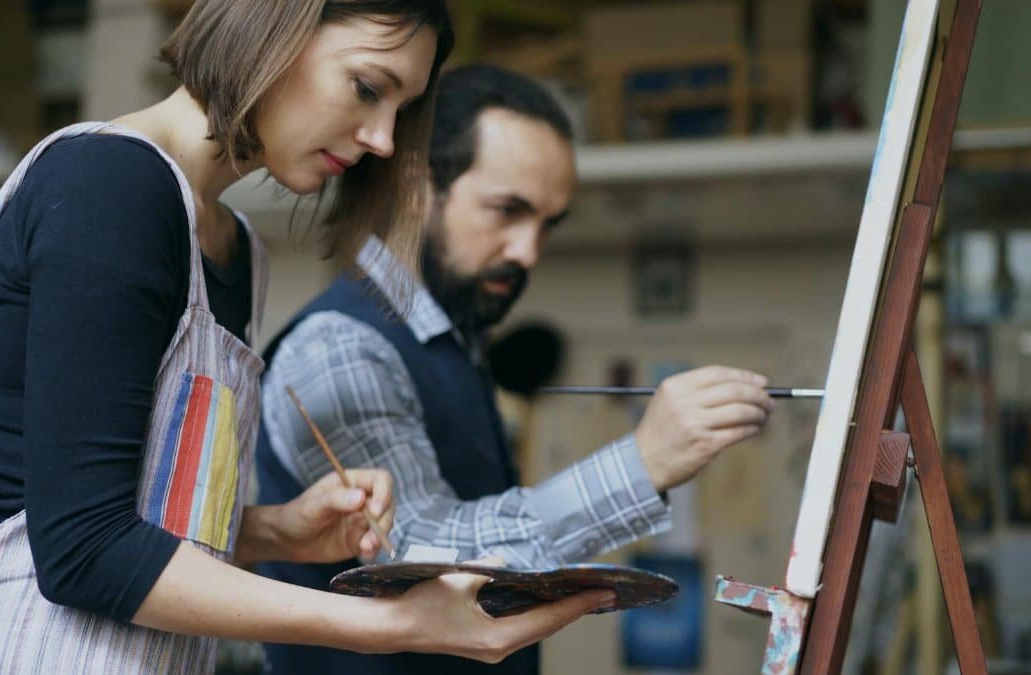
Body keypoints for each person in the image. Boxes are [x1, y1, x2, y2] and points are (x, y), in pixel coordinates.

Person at [0, 5, 612, 675]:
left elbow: (134, 513)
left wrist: (276, 530)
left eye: (401, 110)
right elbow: (82, 547)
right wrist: (387, 624)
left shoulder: (235, 250)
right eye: (369, 87)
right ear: (277, 22)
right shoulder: (109, 187)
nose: (383, 139)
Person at [256, 64, 776, 674]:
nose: (529, 251)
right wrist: (643, 463)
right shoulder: (339, 345)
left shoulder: (454, 344)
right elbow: (421, 555)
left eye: (546, 225)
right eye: (508, 210)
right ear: (417, 186)